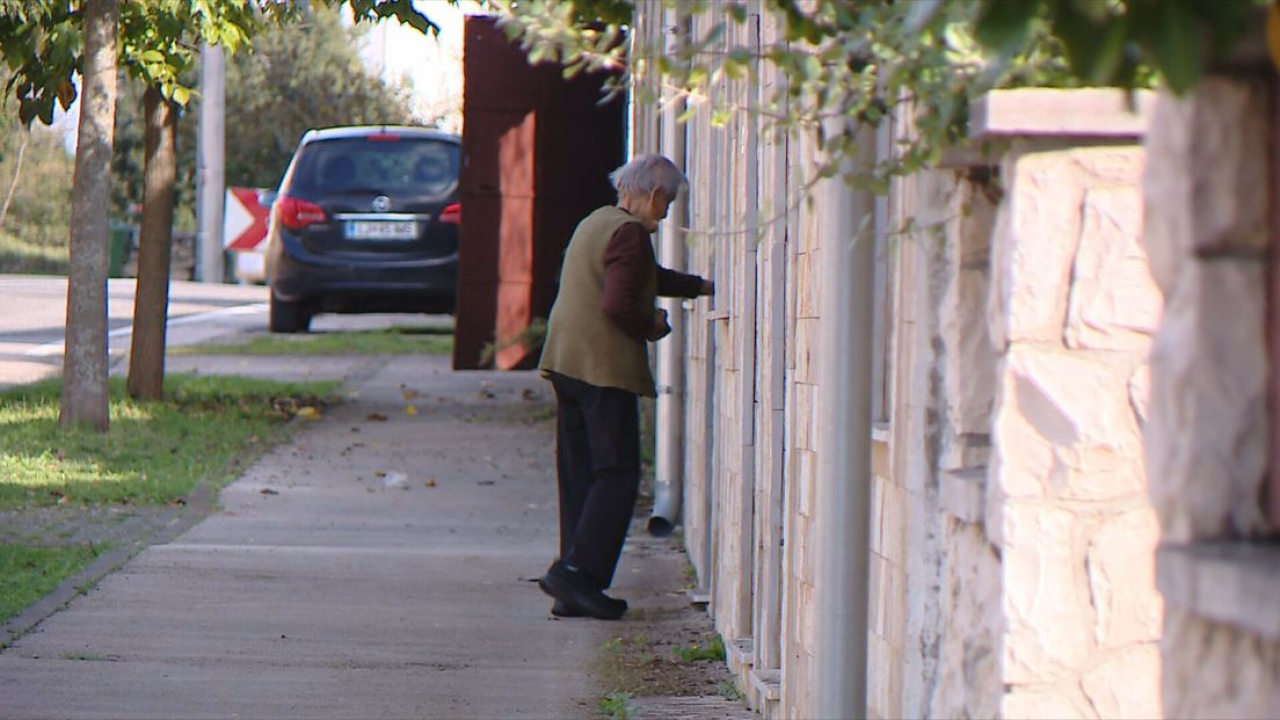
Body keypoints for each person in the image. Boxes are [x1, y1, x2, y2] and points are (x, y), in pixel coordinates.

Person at [536, 154, 714, 620]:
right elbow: (619, 302)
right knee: (616, 474)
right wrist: (650, 324)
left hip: (566, 361)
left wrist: (699, 287)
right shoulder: (632, 233)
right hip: (602, 367)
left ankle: (570, 585)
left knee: (580, 474)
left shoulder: (597, 222)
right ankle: (579, 575)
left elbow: (642, 277)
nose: (667, 212)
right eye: (667, 202)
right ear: (653, 194)